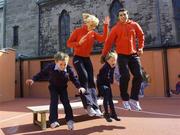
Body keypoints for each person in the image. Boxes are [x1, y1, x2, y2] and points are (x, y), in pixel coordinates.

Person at [26, 52, 86, 130]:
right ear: (56, 62)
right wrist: (33, 79)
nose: (63, 66)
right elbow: (41, 74)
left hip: (63, 88)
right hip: (53, 87)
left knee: (66, 102)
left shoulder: (69, 69)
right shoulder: (50, 67)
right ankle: (53, 121)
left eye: (65, 64)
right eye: (61, 64)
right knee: (54, 102)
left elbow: (74, 79)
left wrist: (79, 87)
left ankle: (70, 120)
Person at [101, 8, 145, 111]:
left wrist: (141, 47)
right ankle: (125, 99)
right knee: (125, 76)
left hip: (134, 54)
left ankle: (134, 99)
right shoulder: (115, 28)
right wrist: (103, 55)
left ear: (127, 15)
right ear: (118, 17)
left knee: (139, 76)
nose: (123, 17)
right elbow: (108, 42)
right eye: (121, 15)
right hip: (121, 56)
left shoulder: (134, 25)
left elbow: (141, 36)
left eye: (124, 14)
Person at [67, 13, 110, 116]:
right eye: (92, 25)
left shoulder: (92, 33)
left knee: (91, 80)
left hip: (86, 58)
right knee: (84, 78)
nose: (93, 28)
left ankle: (95, 106)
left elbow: (103, 38)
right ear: (87, 23)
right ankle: (88, 106)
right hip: (78, 58)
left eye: (95, 26)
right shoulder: (78, 31)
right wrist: (78, 43)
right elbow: (69, 43)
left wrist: (105, 26)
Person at [97, 52, 120, 122]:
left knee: (110, 99)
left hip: (107, 84)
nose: (114, 62)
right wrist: (113, 82)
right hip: (101, 84)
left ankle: (113, 114)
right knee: (106, 97)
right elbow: (105, 78)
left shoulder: (112, 67)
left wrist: (113, 81)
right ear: (107, 60)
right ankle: (106, 114)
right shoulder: (105, 67)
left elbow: (111, 77)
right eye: (112, 60)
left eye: (115, 60)